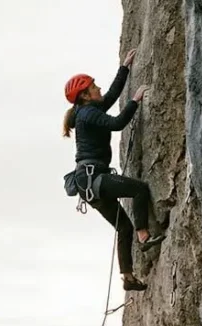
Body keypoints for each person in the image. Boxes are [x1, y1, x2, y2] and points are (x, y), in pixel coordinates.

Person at [62, 48, 163, 292]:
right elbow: (117, 123)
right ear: (85, 95)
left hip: (89, 185)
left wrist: (125, 68)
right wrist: (135, 101)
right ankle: (144, 236)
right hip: (95, 179)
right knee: (139, 189)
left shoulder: (87, 110)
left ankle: (128, 277)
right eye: (93, 86)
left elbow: (109, 96)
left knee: (122, 227)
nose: (98, 88)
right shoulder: (88, 114)